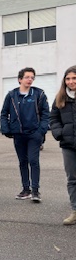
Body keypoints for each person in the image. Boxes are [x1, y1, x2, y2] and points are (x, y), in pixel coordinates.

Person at [0, 67, 49, 202]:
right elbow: (4, 113)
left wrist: (41, 130)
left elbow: (46, 113)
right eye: (27, 77)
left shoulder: (39, 94)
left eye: (32, 77)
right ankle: (26, 189)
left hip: (34, 134)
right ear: (20, 79)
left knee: (33, 161)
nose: (30, 80)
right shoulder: (11, 95)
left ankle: (35, 191)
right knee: (23, 162)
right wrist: (6, 129)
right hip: (18, 134)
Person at [49, 65, 76, 224]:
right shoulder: (60, 98)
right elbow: (53, 118)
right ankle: (75, 210)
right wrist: (59, 133)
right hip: (68, 145)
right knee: (72, 179)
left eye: (74, 78)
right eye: (68, 79)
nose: (71, 81)